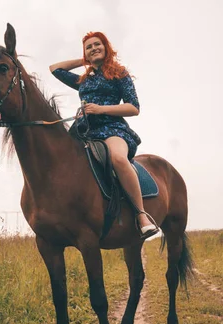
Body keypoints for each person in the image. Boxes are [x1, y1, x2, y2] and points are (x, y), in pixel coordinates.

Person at [49, 31, 159, 239]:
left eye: (97, 45)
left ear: (106, 47)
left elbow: (133, 108)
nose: (93, 48)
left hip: (112, 128)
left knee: (118, 158)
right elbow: (55, 69)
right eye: (88, 47)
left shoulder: (119, 74)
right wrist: (84, 61)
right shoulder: (83, 80)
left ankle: (141, 215)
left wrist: (100, 109)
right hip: (84, 131)